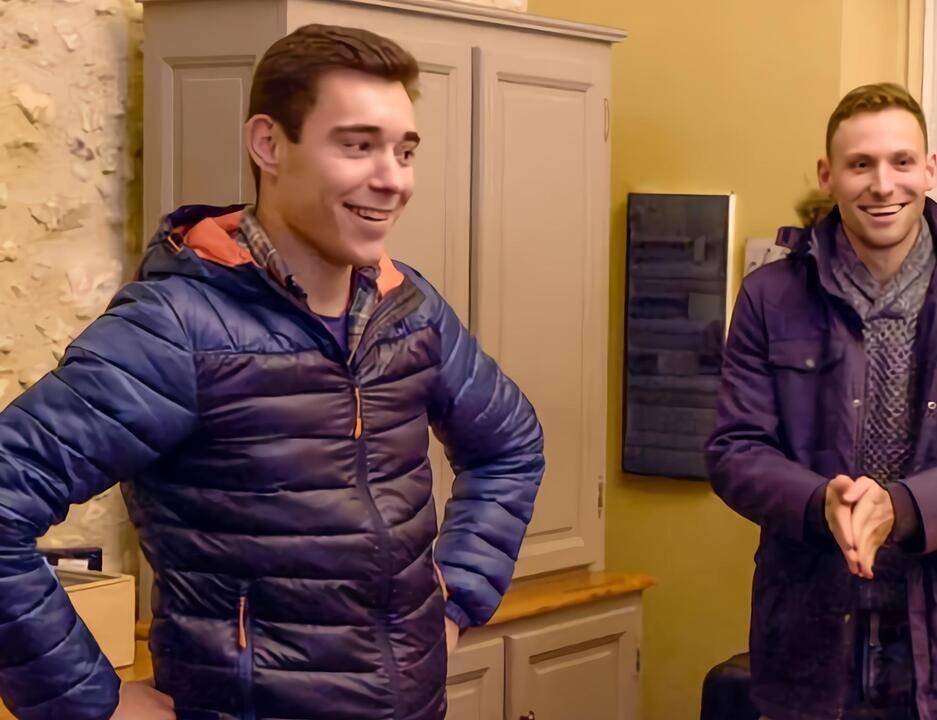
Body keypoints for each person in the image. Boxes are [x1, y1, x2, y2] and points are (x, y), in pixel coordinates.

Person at [0, 24, 544, 720]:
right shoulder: (180, 329)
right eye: (358, 145)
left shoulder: (409, 310)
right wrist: (90, 705)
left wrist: (457, 598)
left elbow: (510, 446)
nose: (393, 179)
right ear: (268, 144)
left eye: (404, 150)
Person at [706, 82, 937, 719]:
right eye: (860, 164)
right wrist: (820, 503)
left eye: (901, 162)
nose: (882, 184)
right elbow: (735, 451)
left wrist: (901, 508)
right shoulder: (771, 296)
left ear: (930, 169)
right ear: (828, 175)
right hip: (808, 644)